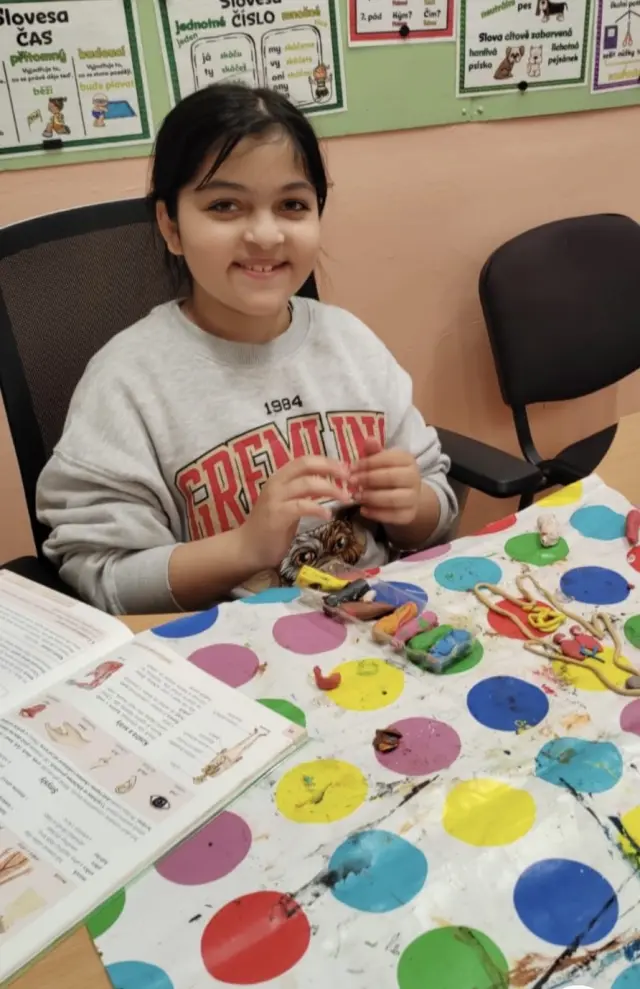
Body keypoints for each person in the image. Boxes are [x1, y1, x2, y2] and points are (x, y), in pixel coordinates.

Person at [36, 84, 457, 616]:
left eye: (292, 205)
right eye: (225, 206)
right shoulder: (127, 381)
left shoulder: (352, 344)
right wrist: (245, 549)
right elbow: (103, 578)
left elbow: (437, 508)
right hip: (226, 650)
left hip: (376, 627)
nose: (265, 234)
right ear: (171, 226)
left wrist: (412, 507)